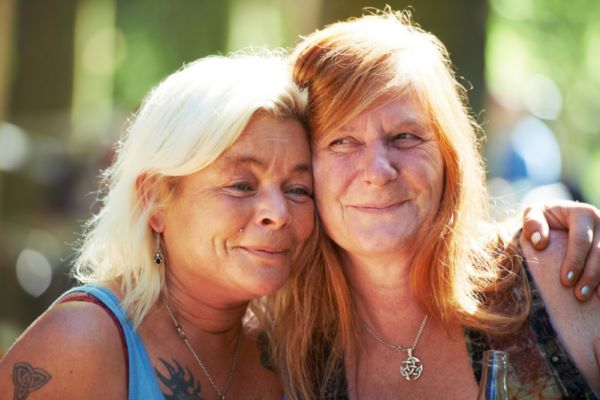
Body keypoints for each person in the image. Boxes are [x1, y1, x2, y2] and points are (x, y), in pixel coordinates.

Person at [268, 9, 600, 399]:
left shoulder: (565, 274)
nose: (378, 171)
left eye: (404, 136)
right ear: (302, 170)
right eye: (342, 142)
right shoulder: (277, 347)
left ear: (448, 154)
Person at [0, 51, 319, 399]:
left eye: (298, 189)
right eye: (241, 185)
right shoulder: (80, 343)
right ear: (154, 199)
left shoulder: (303, 356)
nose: (279, 212)